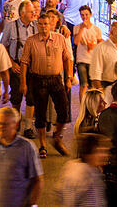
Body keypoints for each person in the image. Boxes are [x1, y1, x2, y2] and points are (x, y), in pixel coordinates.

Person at [19, 10, 72, 157]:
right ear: (37, 25)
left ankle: (57, 137)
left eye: (46, 24)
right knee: (40, 113)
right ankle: (42, 144)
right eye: (41, 24)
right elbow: (24, 63)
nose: (43, 27)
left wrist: (68, 77)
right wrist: (23, 83)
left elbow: (67, 58)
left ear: (51, 24)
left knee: (63, 110)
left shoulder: (60, 39)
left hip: (56, 79)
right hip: (37, 79)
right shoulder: (31, 41)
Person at [0, 107, 42, 207]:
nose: (0, 127)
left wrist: (32, 204)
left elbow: (37, 180)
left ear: (16, 124)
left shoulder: (26, 147)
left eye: (5, 124)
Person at [0, 0, 37, 137]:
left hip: (32, 67)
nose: (34, 13)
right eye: (31, 11)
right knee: (16, 97)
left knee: (31, 97)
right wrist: (11, 63)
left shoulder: (36, 26)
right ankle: (16, 122)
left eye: (33, 11)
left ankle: (28, 126)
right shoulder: (11, 26)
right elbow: (3, 46)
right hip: (17, 66)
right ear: (22, 13)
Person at [55, 133, 109, 207]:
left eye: (105, 151)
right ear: (88, 154)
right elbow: (69, 202)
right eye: (100, 151)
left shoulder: (95, 171)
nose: (105, 155)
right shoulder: (76, 175)